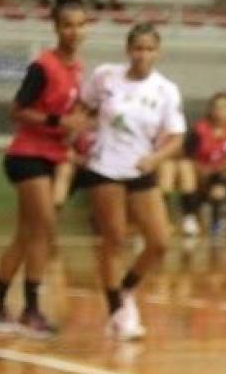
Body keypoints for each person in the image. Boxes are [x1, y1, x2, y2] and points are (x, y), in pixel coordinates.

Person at [0, 0, 90, 338]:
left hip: (52, 157)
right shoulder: (43, 67)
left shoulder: (79, 71)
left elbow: (78, 118)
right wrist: (59, 120)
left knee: (27, 235)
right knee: (44, 228)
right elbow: (17, 110)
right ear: (56, 28)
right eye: (67, 25)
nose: (73, 31)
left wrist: (81, 132)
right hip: (26, 155)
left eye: (79, 25)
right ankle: (30, 310)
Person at [76, 23, 186, 341]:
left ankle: (125, 290)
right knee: (114, 238)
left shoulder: (165, 90)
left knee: (160, 241)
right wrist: (75, 139)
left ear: (158, 52)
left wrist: (155, 158)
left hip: (141, 168)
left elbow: (177, 136)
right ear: (128, 50)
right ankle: (117, 311)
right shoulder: (105, 76)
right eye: (137, 48)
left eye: (149, 49)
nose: (142, 55)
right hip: (104, 167)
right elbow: (84, 109)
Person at [181, 93, 226, 238]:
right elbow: (189, 156)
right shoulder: (199, 129)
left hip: (224, 173)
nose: (221, 111)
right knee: (188, 170)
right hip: (203, 172)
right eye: (217, 107)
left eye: (225, 107)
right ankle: (191, 218)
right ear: (210, 110)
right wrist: (202, 169)